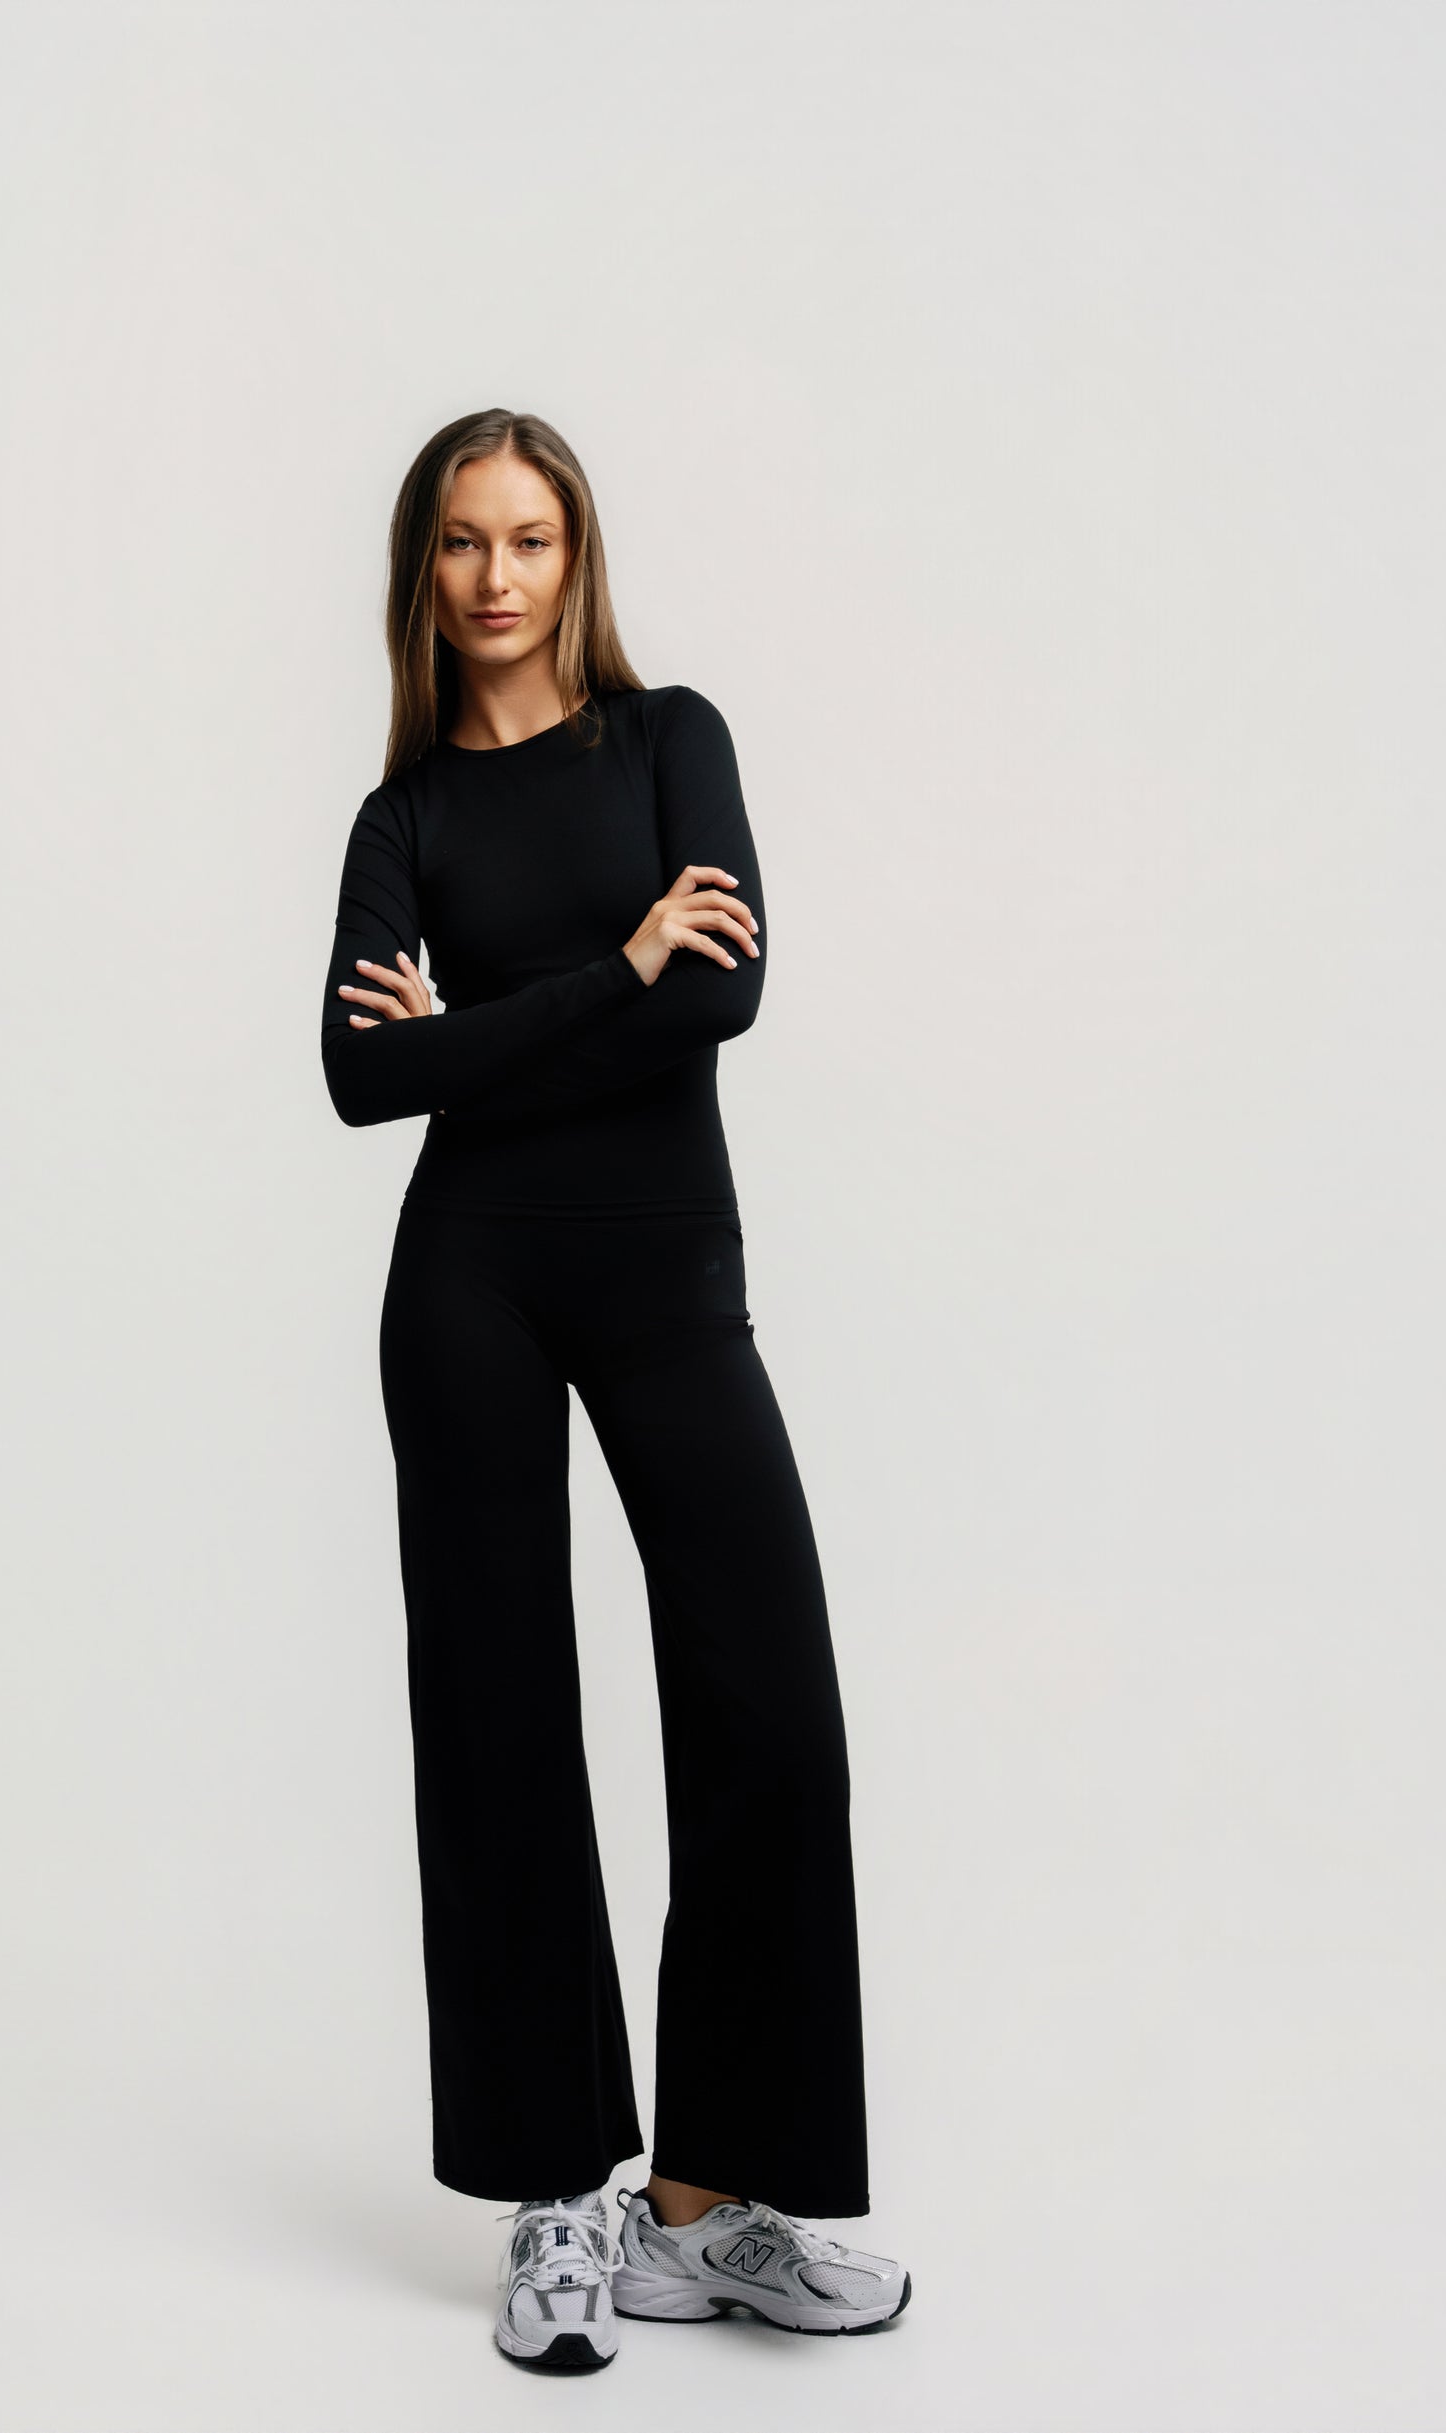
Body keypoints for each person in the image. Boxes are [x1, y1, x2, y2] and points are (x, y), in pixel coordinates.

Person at [319, 407, 912, 2370]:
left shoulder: (672, 743)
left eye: (531, 538)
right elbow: (361, 1078)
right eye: (461, 541)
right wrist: (609, 973)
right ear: (421, 571)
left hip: (667, 1281)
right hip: (467, 1288)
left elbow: (722, 990)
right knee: (498, 1723)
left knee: (769, 1707)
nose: (496, 576)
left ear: (578, 557)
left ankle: (702, 2203)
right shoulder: (403, 819)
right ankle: (554, 2196)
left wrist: (483, 1031)